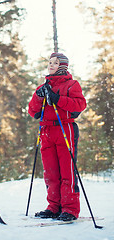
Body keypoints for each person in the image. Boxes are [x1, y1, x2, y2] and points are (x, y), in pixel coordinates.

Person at [28, 52, 86, 221]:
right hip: (46, 132)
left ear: (62, 66)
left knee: (67, 171)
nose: (50, 65)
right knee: (51, 173)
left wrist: (57, 99)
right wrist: (39, 98)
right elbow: (33, 112)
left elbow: (79, 105)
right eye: (50, 62)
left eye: (55, 63)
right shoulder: (42, 88)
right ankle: (54, 207)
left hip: (65, 129)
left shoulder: (71, 85)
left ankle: (70, 209)